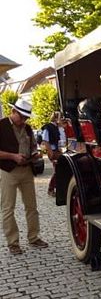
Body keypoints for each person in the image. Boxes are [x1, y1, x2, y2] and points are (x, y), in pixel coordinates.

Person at [0, 98, 49, 255]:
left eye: (26, 117)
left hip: (26, 170)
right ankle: (13, 243)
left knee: (31, 207)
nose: (23, 120)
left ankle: (33, 237)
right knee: (8, 209)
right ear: (13, 112)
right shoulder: (1, 126)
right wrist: (13, 157)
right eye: (21, 116)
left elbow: (33, 145)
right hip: (8, 171)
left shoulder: (27, 128)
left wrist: (34, 154)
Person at [42, 112, 64, 197]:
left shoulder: (57, 127)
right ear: (55, 118)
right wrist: (50, 152)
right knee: (57, 170)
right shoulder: (48, 127)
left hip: (58, 151)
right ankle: (50, 189)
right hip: (53, 151)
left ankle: (57, 189)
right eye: (60, 117)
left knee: (60, 170)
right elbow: (45, 141)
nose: (61, 119)